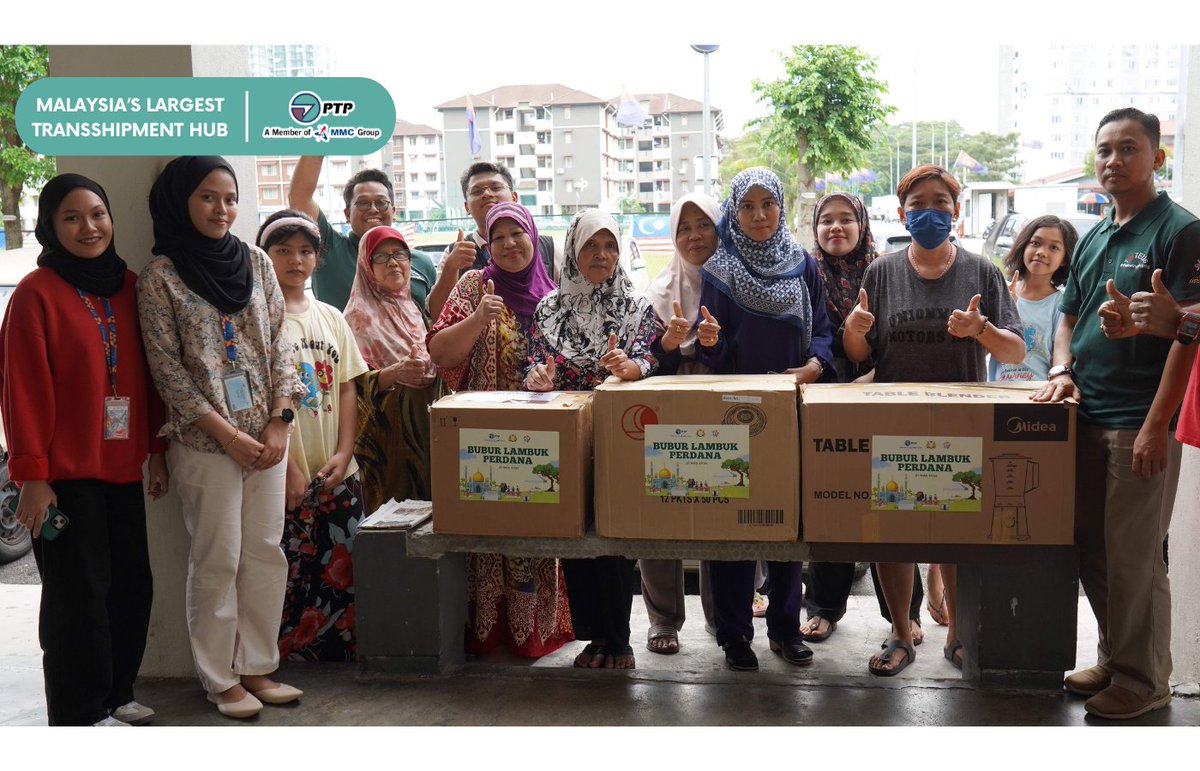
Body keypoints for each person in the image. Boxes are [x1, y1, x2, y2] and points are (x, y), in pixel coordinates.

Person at [1033, 107, 1200, 719]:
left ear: (1157, 158)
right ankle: (1115, 656)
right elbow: (1069, 315)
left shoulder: (1180, 232)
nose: (1113, 160)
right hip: (1086, 414)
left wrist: (1158, 425)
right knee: (1095, 550)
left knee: (1134, 556)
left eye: (1129, 149)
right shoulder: (1097, 234)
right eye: (1104, 149)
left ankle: (1145, 677)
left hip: (1140, 421)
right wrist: (1061, 370)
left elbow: (1193, 332)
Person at [138, 156, 304, 718]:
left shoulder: (257, 262)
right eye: (208, 197)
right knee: (217, 558)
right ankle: (219, 677)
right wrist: (230, 436)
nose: (222, 209)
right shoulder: (161, 277)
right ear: (182, 201)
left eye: (230, 198)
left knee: (263, 552)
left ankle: (256, 665)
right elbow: (169, 374)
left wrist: (280, 419)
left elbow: (285, 341)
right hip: (206, 443)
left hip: (268, 437)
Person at [0, 173, 168, 726]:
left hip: (122, 467)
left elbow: (151, 378)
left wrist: (157, 452)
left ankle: (119, 692)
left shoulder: (132, 285)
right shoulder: (35, 293)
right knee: (77, 595)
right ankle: (77, 709)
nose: (88, 227)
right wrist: (31, 475)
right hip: (64, 475)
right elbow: (22, 388)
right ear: (51, 225)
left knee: (130, 584)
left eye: (97, 213)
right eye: (71, 217)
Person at [843, 163, 1024, 677]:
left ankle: (960, 634)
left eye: (940, 203)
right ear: (902, 214)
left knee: (956, 534)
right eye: (918, 204)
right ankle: (901, 630)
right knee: (892, 533)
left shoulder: (981, 272)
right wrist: (854, 328)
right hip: (893, 421)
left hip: (960, 421)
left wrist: (981, 328)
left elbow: (1013, 349)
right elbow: (859, 350)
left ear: (957, 212)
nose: (929, 212)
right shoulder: (881, 271)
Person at [696, 167, 834, 672]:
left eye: (768, 204)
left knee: (785, 521)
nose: (758, 215)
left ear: (780, 207)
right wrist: (709, 343)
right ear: (734, 211)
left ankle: (784, 628)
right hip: (734, 415)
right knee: (732, 522)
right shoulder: (721, 270)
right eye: (748, 206)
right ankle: (735, 635)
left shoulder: (803, 265)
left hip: (791, 411)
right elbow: (713, 348)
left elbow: (823, 329)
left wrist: (817, 365)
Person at [427, 201, 573, 658]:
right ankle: (490, 635)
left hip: (546, 442)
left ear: (534, 235)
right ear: (487, 244)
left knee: (540, 530)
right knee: (492, 533)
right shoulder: (476, 284)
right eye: (499, 237)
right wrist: (479, 318)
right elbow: (440, 352)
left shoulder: (556, 293)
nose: (510, 244)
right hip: (486, 443)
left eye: (518, 234)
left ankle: (537, 633)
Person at [524, 210, 658, 669]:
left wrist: (629, 367)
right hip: (568, 438)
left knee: (614, 536)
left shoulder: (635, 306)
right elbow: (534, 364)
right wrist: (537, 377)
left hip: (619, 437)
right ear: (572, 252)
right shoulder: (548, 309)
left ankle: (619, 640)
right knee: (576, 533)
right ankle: (594, 637)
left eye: (610, 246)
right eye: (590, 247)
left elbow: (651, 358)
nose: (601, 255)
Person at [257, 209, 369, 662]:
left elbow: (346, 387)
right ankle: (279, 656)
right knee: (287, 568)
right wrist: (286, 468)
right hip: (284, 470)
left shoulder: (330, 317)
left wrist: (345, 452)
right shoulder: (259, 319)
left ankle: (337, 655)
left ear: (318, 258)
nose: (295, 260)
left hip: (338, 471)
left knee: (343, 564)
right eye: (282, 250)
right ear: (262, 257)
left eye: (305, 251)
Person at [637, 192, 722, 655]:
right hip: (669, 409)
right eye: (684, 227)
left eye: (704, 224)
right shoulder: (658, 291)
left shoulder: (737, 281)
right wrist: (672, 345)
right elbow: (645, 359)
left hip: (722, 407)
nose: (694, 235)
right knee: (661, 504)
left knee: (722, 501)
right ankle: (663, 618)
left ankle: (722, 612)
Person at [799, 191, 877, 644]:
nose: (836, 228)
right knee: (832, 501)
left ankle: (903, 617)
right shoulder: (806, 271)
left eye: (847, 219)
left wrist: (871, 377)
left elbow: (898, 339)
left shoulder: (884, 270)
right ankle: (824, 608)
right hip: (822, 400)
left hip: (877, 395)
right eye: (827, 220)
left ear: (862, 224)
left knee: (889, 502)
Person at [343, 225, 442, 516]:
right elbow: (350, 387)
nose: (393, 263)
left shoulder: (413, 307)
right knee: (395, 519)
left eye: (399, 254)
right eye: (382, 256)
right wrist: (395, 373)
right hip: (389, 438)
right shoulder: (357, 317)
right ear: (366, 265)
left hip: (426, 425)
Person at [288, 157, 437, 311]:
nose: (373, 209)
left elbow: (436, 319)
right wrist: (319, 141)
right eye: (363, 203)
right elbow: (300, 198)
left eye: (381, 202)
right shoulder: (330, 249)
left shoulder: (422, 264)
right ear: (347, 214)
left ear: (393, 211)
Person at [428, 162, 557, 319]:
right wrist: (451, 268)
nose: (487, 194)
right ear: (466, 206)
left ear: (514, 197)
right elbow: (437, 316)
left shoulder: (549, 248)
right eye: (477, 191)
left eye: (496, 188)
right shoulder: (454, 253)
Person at [989, 215, 1078, 381]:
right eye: (1036, 243)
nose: (1042, 252)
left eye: (1054, 248)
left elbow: (1060, 356)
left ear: (1064, 259)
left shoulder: (1062, 304)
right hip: (998, 395)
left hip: (1038, 398)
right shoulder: (1001, 293)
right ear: (1023, 246)